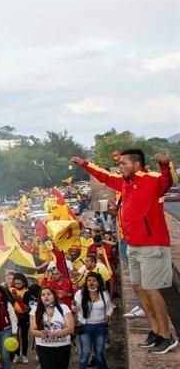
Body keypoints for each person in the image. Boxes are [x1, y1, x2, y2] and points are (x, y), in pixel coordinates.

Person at [73, 150, 177, 353]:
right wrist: (84, 164)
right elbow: (104, 176)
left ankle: (166, 335)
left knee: (153, 289)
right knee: (140, 288)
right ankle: (155, 331)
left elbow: (169, 180)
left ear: (136, 164)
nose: (119, 167)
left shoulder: (152, 180)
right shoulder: (124, 184)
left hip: (152, 244)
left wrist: (165, 165)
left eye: (123, 164)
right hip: (133, 244)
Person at [73, 272, 114, 369]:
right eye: (89, 280)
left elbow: (110, 308)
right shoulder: (80, 294)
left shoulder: (104, 294)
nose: (91, 283)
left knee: (99, 351)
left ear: (98, 283)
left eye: (94, 281)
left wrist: (108, 315)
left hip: (100, 326)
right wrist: (74, 305)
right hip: (85, 326)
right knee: (85, 352)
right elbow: (76, 309)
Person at [9, 273, 32, 364]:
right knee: (15, 335)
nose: (18, 285)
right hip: (14, 316)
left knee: (24, 335)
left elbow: (28, 305)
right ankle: (17, 354)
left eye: (20, 284)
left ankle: (25, 355)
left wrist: (20, 299)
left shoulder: (27, 291)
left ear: (24, 283)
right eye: (16, 283)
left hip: (24, 316)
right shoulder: (10, 290)